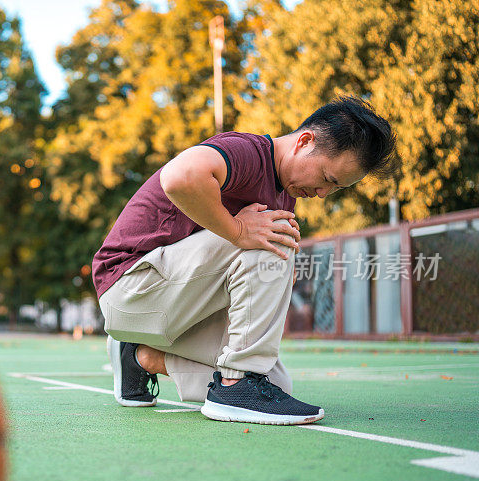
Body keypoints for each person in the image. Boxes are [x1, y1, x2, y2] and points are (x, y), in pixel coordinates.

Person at [92, 96, 396, 425]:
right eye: (328, 178)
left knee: (274, 383)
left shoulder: (284, 195)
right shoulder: (248, 152)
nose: (324, 193)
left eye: (337, 189)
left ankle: (140, 357)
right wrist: (238, 232)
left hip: (171, 306)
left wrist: (271, 272)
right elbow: (180, 176)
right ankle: (235, 386)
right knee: (274, 238)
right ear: (305, 141)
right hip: (128, 287)